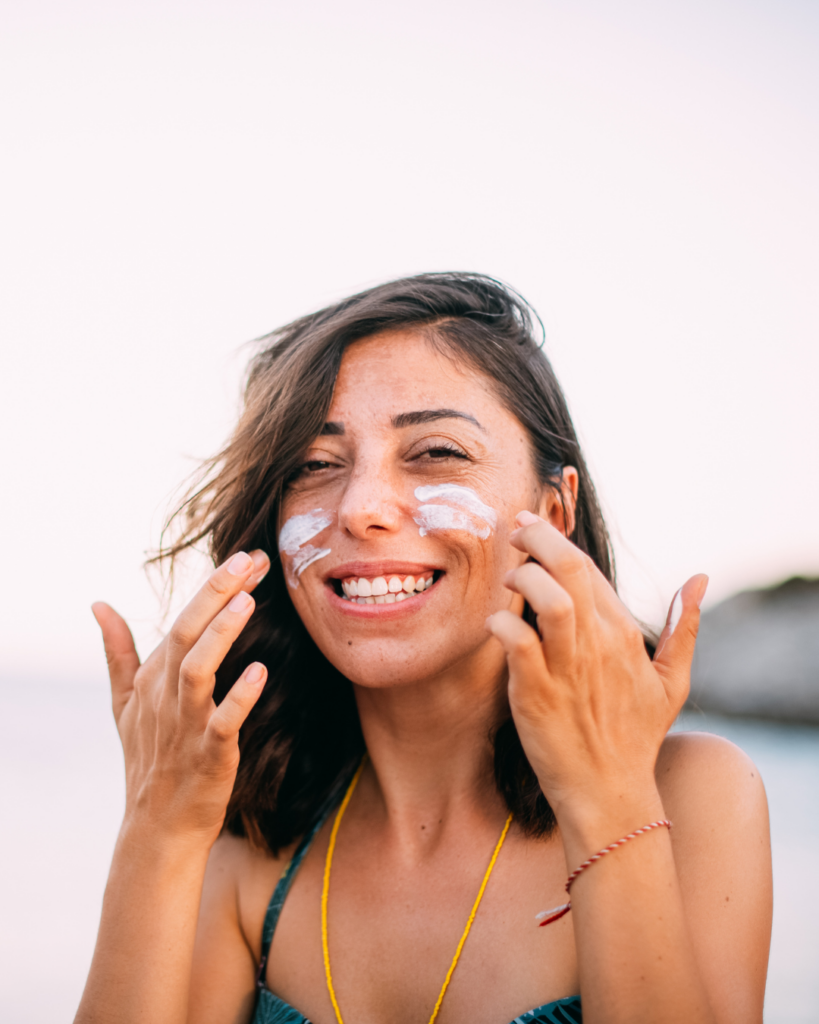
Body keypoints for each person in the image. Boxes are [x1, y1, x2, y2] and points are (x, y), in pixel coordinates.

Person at [76, 273, 772, 1024]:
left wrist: (609, 804)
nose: (362, 507)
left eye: (435, 452)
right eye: (312, 466)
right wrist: (156, 827)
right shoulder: (247, 841)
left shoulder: (688, 797)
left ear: (552, 511)